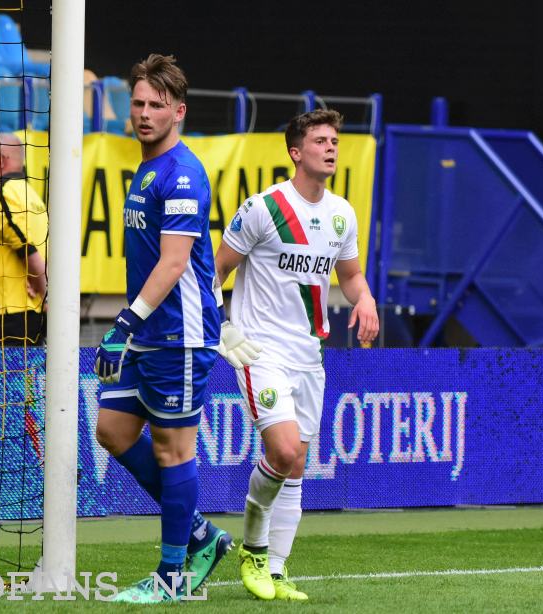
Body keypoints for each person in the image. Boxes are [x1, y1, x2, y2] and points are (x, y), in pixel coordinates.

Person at [93, 54, 259, 603]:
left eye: (156, 105)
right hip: (146, 332)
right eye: (138, 103)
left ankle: (172, 575)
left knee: (173, 450)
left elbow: (174, 263)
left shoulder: (182, 173)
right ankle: (199, 534)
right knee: (113, 432)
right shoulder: (145, 167)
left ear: (178, 111)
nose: (143, 113)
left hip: (180, 335)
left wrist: (123, 322)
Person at [215, 109, 380, 601]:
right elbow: (214, 270)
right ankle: (252, 549)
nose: (331, 147)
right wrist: (221, 327)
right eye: (320, 140)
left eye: (334, 140)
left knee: (298, 464)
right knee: (283, 451)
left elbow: (349, 276)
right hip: (261, 351)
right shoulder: (263, 208)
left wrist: (365, 298)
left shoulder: (341, 214)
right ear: (295, 151)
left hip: (310, 356)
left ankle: (278, 569)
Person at [0, 133, 47, 346]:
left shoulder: (1, 192)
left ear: (3, 160)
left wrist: (46, 294)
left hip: (7, 314)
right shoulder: (31, 194)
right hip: (25, 310)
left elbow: (26, 247)